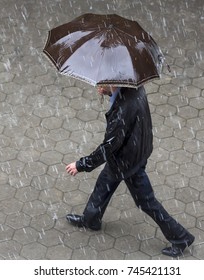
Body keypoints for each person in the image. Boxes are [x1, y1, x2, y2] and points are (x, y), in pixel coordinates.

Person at [65, 85, 194, 257]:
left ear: (115, 81)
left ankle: (180, 237)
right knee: (103, 185)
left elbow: (109, 146)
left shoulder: (123, 109)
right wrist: (110, 92)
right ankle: (91, 219)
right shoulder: (135, 87)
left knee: (147, 202)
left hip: (127, 161)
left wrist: (81, 165)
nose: (100, 84)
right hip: (134, 152)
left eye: (105, 82)